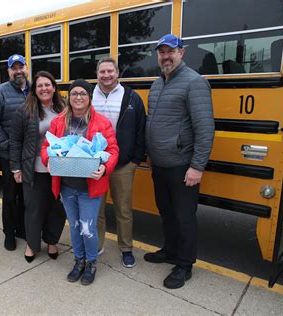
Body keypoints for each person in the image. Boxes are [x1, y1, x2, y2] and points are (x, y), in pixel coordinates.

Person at [144, 34, 214, 289]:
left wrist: (197, 166)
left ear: (181, 52)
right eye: (161, 52)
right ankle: (170, 251)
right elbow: (153, 122)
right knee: (167, 213)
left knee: (185, 217)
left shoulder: (194, 83)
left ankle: (184, 265)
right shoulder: (156, 84)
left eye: (170, 51)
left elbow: (204, 128)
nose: (165, 56)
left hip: (182, 166)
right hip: (160, 165)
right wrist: (150, 153)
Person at [41, 79, 119, 285]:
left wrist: (104, 168)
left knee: (88, 227)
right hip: (67, 186)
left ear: (90, 97)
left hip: (90, 186)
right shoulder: (59, 121)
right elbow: (46, 147)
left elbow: (112, 150)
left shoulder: (101, 122)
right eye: (74, 93)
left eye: (82, 93)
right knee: (75, 227)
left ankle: (91, 263)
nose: (78, 97)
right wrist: (48, 160)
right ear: (69, 97)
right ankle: (79, 261)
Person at [92, 57, 146, 268]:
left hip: (122, 164)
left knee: (123, 210)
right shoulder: (88, 95)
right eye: (102, 71)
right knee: (96, 209)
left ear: (118, 73)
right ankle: (97, 246)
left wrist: (135, 159)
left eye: (110, 71)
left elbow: (141, 128)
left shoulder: (131, 97)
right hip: (94, 163)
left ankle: (126, 248)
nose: (106, 75)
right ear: (97, 74)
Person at [10, 71, 66, 263]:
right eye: (39, 85)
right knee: (34, 209)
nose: (44, 88)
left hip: (59, 169)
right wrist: (16, 168)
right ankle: (32, 244)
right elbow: (15, 141)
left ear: (54, 87)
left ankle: (51, 241)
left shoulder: (64, 108)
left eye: (47, 84)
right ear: (34, 89)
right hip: (33, 170)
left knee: (56, 209)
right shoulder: (25, 110)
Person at [0, 54, 30, 251]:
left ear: (27, 68)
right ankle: (9, 233)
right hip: (9, 155)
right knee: (10, 196)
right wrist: (6, 144)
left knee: (27, 195)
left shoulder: (33, 90)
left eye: (21, 67)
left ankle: (22, 229)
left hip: (30, 154)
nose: (18, 71)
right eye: (14, 68)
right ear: (9, 71)